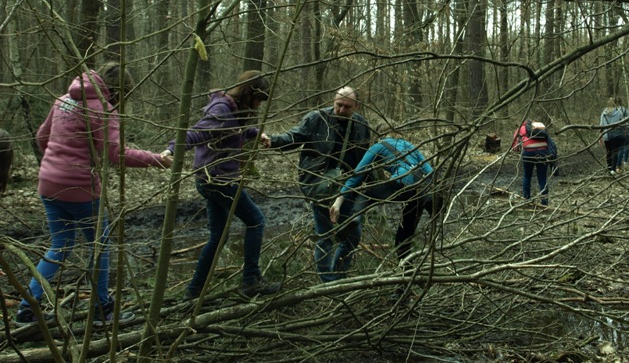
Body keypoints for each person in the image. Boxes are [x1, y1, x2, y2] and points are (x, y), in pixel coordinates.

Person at [16, 63, 172, 327]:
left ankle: (26, 308)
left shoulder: (63, 100)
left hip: (48, 183)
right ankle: (103, 309)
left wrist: (58, 161)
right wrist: (157, 160)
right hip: (80, 189)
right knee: (100, 246)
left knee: (60, 244)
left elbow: (42, 138)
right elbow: (117, 154)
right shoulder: (103, 108)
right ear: (119, 90)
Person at [161, 70, 279, 300]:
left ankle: (193, 293)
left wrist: (257, 133)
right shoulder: (221, 110)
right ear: (248, 94)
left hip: (212, 180)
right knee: (256, 221)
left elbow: (234, 130)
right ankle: (251, 280)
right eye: (257, 100)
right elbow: (197, 133)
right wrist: (172, 149)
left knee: (218, 236)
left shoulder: (232, 109)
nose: (257, 106)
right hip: (217, 180)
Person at [264, 86, 370, 282]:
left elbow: (365, 158)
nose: (341, 110)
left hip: (348, 187)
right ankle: (328, 283)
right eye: (338, 105)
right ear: (333, 102)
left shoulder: (361, 125)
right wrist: (272, 141)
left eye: (347, 107)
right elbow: (295, 136)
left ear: (356, 106)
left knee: (353, 235)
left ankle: (339, 277)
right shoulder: (317, 118)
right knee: (325, 236)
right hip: (320, 184)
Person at [329, 121, 436, 268]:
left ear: (380, 135)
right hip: (417, 193)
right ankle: (406, 284)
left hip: (399, 183)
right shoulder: (410, 146)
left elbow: (357, 175)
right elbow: (430, 172)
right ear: (398, 132)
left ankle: (354, 218)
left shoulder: (378, 146)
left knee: (364, 194)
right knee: (402, 241)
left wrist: (338, 201)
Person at [511, 120, 558, 206]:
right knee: (542, 177)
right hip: (543, 152)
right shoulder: (539, 127)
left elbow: (515, 146)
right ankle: (544, 202)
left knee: (527, 176)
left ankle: (526, 199)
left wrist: (518, 151)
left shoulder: (520, 129)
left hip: (528, 152)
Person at [600, 97, 629, 175]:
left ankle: (609, 167)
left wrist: (600, 135)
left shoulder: (604, 113)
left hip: (606, 135)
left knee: (608, 151)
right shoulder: (619, 112)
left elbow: (601, 124)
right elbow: (622, 123)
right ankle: (613, 169)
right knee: (615, 151)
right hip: (617, 135)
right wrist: (625, 131)